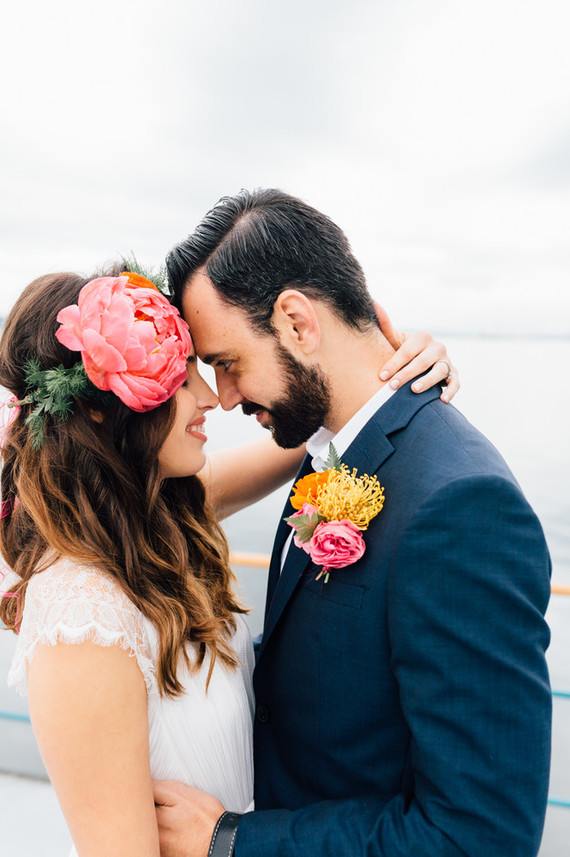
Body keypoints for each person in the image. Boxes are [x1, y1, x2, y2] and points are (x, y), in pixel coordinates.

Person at [0, 265, 453, 857]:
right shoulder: (80, 615)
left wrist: (384, 376)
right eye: (179, 375)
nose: (211, 395)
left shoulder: (158, 519)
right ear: (97, 411)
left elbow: (298, 440)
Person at [154, 188, 552, 857]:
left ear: (297, 323)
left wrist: (230, 840)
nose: (221, 397)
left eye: (227, 363)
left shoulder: (462, 506)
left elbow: (480, 836)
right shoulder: (333, 449)